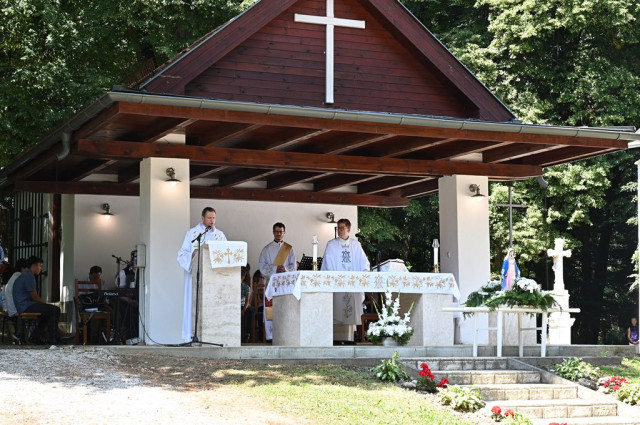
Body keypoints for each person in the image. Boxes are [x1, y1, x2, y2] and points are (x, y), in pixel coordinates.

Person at [177, 207, 227, 343]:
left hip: (213, 279)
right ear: (203, 218)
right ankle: (192, 335)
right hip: (196, 278)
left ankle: (213, 335)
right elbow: (181, 255)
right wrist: (192, 255)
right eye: (209, 218)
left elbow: (225, 254)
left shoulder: (220, 235)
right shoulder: (192, 233)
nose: (212, 220)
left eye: (214, 218)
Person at [321, 218, 370, 342]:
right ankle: (336, 338)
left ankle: (350, 338)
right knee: (337, 310)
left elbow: (364, 263)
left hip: (352, 284)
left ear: (349, 229)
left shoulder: (356, 245)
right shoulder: (331, 244)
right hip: (337, 284)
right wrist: (335, 277)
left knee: (351, 310)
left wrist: (363, 274)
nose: (339, 230)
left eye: (342, 228)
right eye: (338, 228)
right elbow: (328, 263)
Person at [258, 222, 296, 341]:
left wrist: (285, 269)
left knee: (285, 309)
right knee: (271, 309)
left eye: (281, 232)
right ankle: (271, 336)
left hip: (285, 284)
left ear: (284, 233)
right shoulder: (267, 249)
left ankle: (285, 335)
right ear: (273, 233)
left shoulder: (289, 249)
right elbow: (262, 266)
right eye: (276, 231)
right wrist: (275, 269)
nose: (279, 234)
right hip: (271, 284)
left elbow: (293, 266)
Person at [12, 256, 61, 344]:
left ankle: (35, 336)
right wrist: (44, 304)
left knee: (48, 313)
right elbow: (34, 296)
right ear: (34, 266)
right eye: (40, 265)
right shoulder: (29, 276)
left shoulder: (26, 275)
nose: (41, 268)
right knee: (55, 310)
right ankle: (52, 339)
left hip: (23, 305)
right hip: (25, 306)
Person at [240, 266, 254, 343]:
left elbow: (247, 301)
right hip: (235, 306)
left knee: (250, 310)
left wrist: (243, 310)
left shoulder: (246, 287)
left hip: (244, 306)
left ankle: (248, 334)